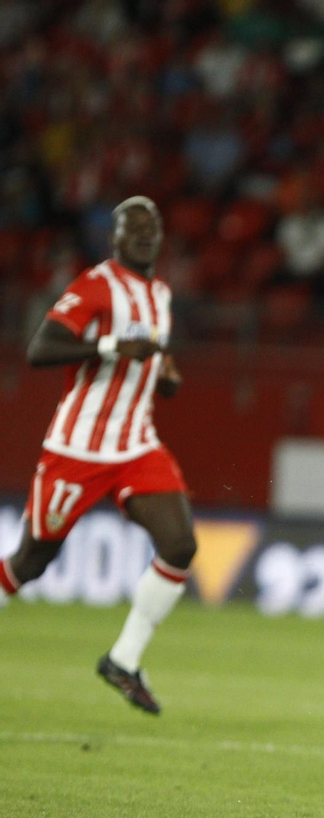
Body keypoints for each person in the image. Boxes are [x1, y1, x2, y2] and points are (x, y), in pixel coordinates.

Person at [2, 196, 194, 716]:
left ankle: (123, 660)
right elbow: (39, 348)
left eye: (151, 227)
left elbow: (148, 363)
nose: (144, 236)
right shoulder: (95, 286)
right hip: (78, 447)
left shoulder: (159, 293)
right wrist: (110, 346)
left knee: (179, 545)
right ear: (114, 237)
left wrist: (165, 378)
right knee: (31, 561)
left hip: (136, 444)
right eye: (133, 228)